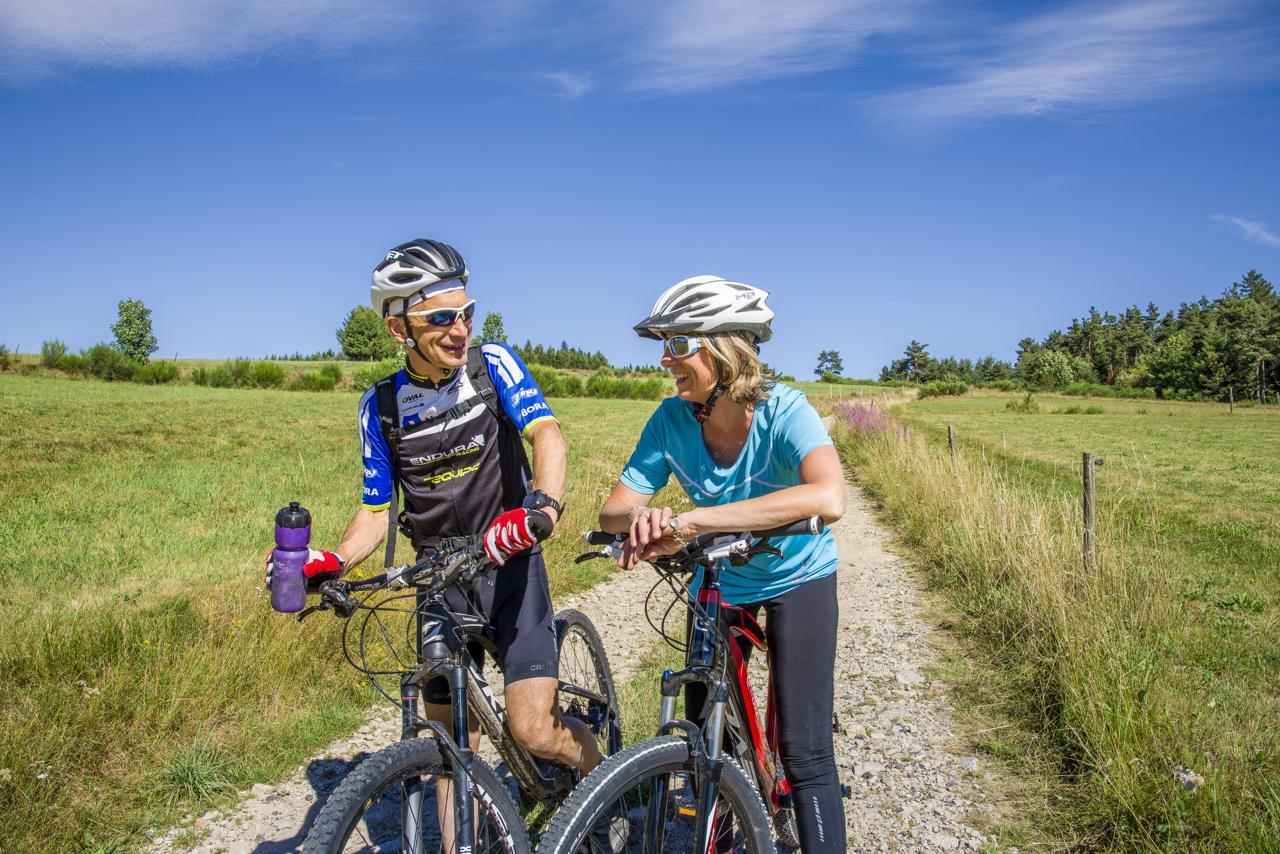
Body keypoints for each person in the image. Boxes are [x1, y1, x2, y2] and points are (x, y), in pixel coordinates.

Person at [269, 239, 604, 844]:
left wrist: (540, 508)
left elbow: (547, 438)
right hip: (438, 581)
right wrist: (335, 561)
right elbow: (376, 512)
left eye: (466, 313)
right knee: (454, 741)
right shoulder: (382, 407)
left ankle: (604, 777)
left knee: (532, 730)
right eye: (441, 319)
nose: (461, 330)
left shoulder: (493, 364)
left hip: (509, 565)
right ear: (400, 326)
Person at [598, 275, 848, 853]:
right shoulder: (669, 419)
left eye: (679, 345)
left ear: (727, 350)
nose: (666, 359)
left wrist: (697, 521)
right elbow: (615, 511)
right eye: (664, 344)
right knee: (710, 736)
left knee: (806, 752)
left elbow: (829, 497)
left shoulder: (785, 410)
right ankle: (732, 828)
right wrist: (649, 518)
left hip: (798, 574)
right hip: (721, 577)